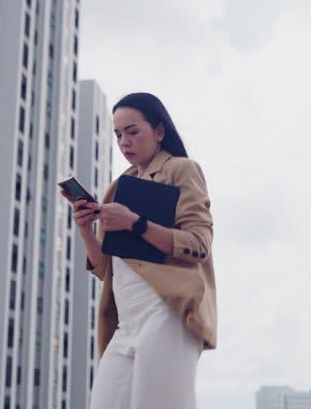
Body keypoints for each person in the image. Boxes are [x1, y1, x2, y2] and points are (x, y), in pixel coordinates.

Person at [61, 92, 216, 409]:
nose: (124, 142)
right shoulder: (118, 187)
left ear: (159, 131)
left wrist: (134, 222)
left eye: (133, 132)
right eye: (118, 134)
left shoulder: (182, 170)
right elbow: (106, 268)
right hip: (125, 321)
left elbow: (199, 244)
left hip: (167, 312)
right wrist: (85, 229)